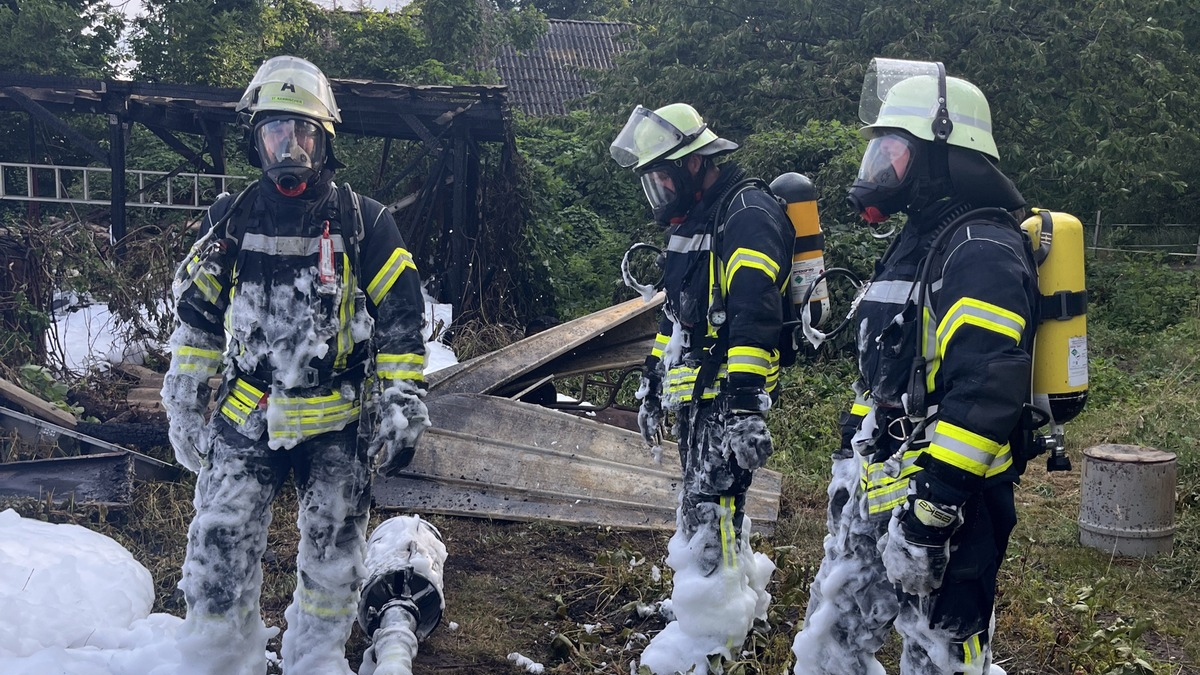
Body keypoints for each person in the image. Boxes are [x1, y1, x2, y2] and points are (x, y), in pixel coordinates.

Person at [160, 55, 429, 675]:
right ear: (255, 140)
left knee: (333, 560)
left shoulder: (364, 222)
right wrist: (184, 400)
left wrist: (401, 402)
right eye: (276, 133)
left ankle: (315, 661)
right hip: (247, 412)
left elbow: (401, 320)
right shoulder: (231, 219)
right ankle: (219, 660)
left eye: (303, 133)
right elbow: (198, 320)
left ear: (324, 140)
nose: (290, 149)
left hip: (336, 421)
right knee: (218, 549)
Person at [789, 59, 1035, 675]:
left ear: (943, 156)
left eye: (893, 151)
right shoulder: (919, 241)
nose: (880, 167)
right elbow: (885, 366)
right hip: (884, 484)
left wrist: (933, 510)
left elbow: (987, 390)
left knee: (940, 655)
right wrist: (851, 449)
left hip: (951, 504)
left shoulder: (979, 248)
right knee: (836, 634)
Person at [609, 103, 791, 674]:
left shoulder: (747, 213)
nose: (659, 191)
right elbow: (678, 318)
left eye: (663, 178)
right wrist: (652, 377)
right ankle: (707, 605)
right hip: (697, 395)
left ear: (695, 163)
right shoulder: (693, 223)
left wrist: (745, 405)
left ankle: (717, 638)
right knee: (699, 504)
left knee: (717, 507)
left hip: (729, 395)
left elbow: (756, 312)